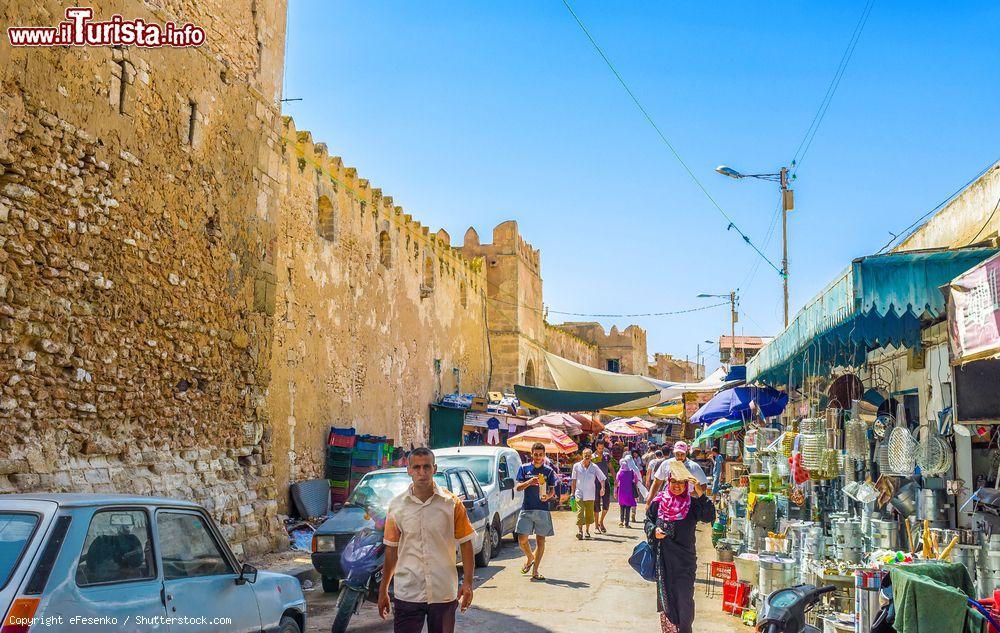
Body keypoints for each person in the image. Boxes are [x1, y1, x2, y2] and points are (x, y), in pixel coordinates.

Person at [378, 447, 475, 633]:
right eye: (416, 467)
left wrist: (468, 582)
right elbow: (391, 550)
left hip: (443, 591)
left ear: (434, 469)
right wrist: (383, 590)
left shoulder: (451, 504)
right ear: (408, 470)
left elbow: (466, 542)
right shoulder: (397, 506)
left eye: (426, 467)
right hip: (408, 591)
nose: (421, 472)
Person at [645, 465, 716, 633]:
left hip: (685, 562)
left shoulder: (692, 504)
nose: (676, 486)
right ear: (668, 482)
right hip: (663, 561)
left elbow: (709, 516)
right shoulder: (659, 501)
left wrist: (700, 492)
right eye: (673, 482)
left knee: (684, 600)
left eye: (681, 483)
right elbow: (648, 521)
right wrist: (654, 530)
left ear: (686, 484)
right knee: (667, 599)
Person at [514, 442, 556, 581]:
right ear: (531, 454)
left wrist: (547, 497)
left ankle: (535, 571)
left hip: (542, 510)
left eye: (541, 455)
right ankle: (530, 557)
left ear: (544, 455)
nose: (538, 457)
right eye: (536, 454)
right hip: (527, 508)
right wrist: (529, 482)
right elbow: (518, 487)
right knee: (522, 539)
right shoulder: (524, 468)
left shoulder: (549, 471)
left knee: (540, 541)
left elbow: (552, 491)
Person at [570, 448, 606, 539]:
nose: (586, 457)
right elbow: (574, 480)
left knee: (589, 513)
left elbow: (602, 478)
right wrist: (572, 493)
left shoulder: (594, 467)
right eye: (585, 455)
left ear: (591, 457)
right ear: (582, 455)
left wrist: (603, 488)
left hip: (590, 494)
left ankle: (586, 531)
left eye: (588, 455)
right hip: (579, 492)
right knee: (580, 512)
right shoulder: (576, 466)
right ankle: (580, 531)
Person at [591, 439, 615, 534]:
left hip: (605, 482)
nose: (601, 450)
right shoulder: (592, 457)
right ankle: (596, 525)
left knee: (606, 505)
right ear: (596, 447)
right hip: (595, 483)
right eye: (599, 448)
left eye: (602, 448)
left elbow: (611, 468)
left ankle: (601, 521)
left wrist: (615, 479)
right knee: (596, 505)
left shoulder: (606, 456)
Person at [615, 461, 638, 528]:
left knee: (622, 507)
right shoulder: (632, 472)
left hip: (621, 492)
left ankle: (621, 522)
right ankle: (626, 523)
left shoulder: (619, 473)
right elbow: (635, 480)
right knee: (628, 508)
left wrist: (615, 492)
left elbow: (616, 483)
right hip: (629, 492)